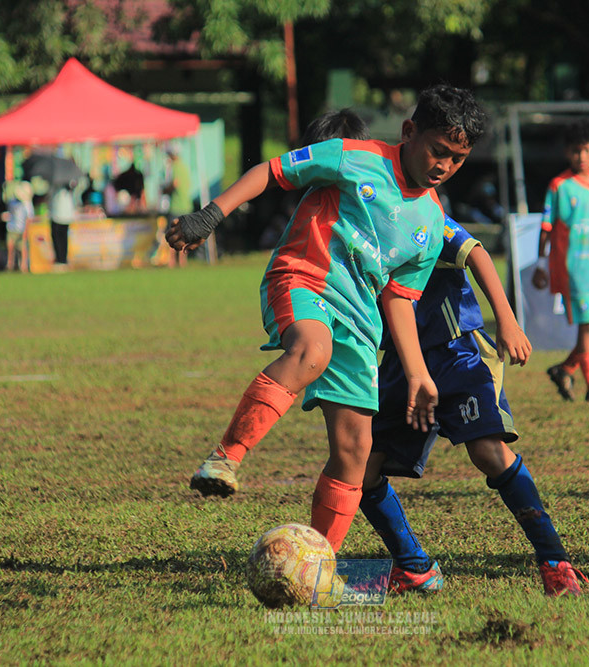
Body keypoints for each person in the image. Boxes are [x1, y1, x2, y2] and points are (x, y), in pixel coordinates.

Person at [167, 85, 489, 553]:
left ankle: (316, 562)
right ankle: (224, 459)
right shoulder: (355, 157)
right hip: (304, 279)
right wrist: (212, 214)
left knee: (356, 453)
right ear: (409, 131)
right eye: (439, 151)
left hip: (360, 322)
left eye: (457, 159)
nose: (445, 165)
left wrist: (418, 373)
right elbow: (271, 172)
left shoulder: (431, 222)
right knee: (312, 351)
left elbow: (399, 299)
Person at [361, 215, 583, 597]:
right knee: (361, 468)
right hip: (402, 361)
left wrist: (507, 321)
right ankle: (414, 567)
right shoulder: (355, 223)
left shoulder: (416, 213)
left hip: (457, 352)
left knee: (488, 452)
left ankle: (554, 561)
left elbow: (475, 252)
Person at [532, 119, 589, 402]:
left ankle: (565, 368)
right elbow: (546, 227)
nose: (580, 156)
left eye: (585, 150)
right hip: (576, 268)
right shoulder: (559, 186)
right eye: (575, 151)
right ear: (567, 153)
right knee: (588, 327)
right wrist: (540, 264)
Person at [163, 148, 193, 267]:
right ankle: (183, 261)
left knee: (173, 234)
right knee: (184, 235)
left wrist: (165, 190)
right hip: (186, 205)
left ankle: (172, 261)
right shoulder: (185, 167)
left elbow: (175, 183)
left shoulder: (175, 167)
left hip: (176, 205)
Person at [4, 180, 33, 272]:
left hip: (21, 229)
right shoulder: (12, 202)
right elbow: (10, 214)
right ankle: (10, 264)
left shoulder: (27, 204)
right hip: (12, 228)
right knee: (10, 246)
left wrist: (26, 230)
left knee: (22, 248)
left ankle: (23, 265)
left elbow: (29, 218)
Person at [48, 180, 76, 270]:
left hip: (65, 214)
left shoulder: (70, 184)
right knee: (56, 238)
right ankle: (59, 259)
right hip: (55, 213)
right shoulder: (54, 183)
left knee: (62, 238)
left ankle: (62, 260)